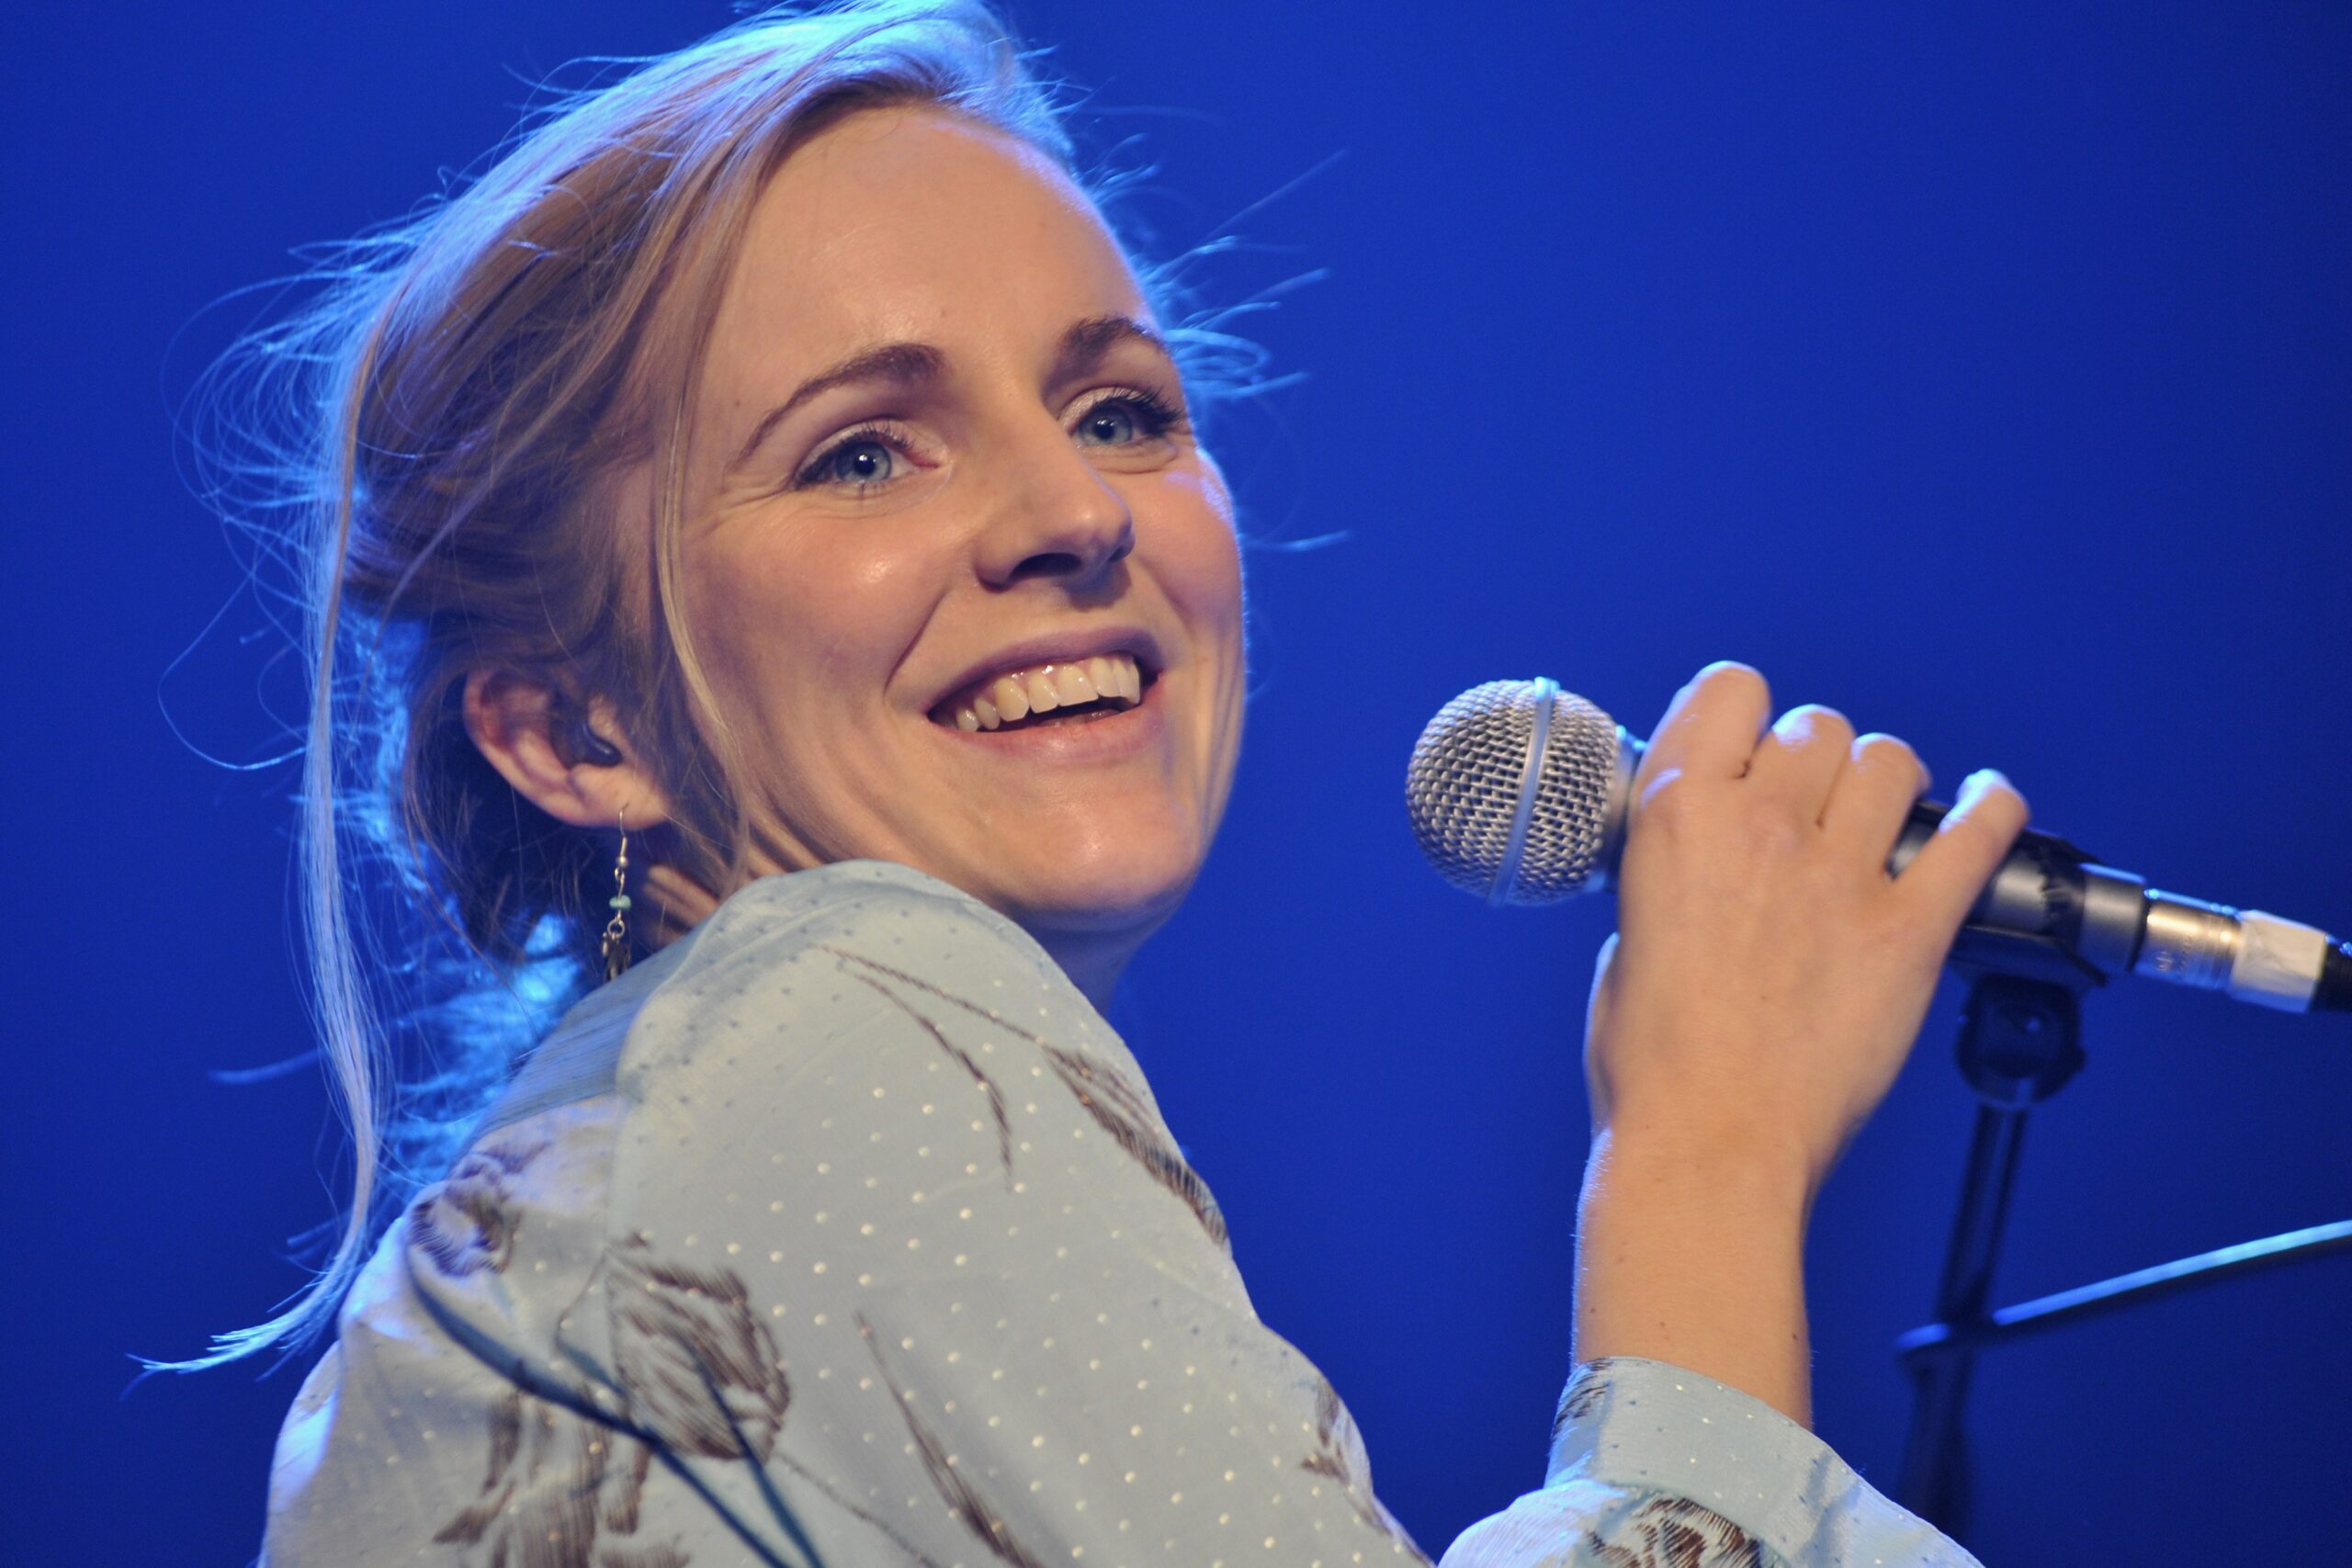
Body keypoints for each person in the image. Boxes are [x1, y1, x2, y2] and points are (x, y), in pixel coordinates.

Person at [191, 4, 2029, 1562]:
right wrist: (1706, 1144)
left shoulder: (654, 1138)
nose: (1074, 513)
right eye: (860, 452)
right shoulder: (828, 1030)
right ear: (567, 729)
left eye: (1120, 411)